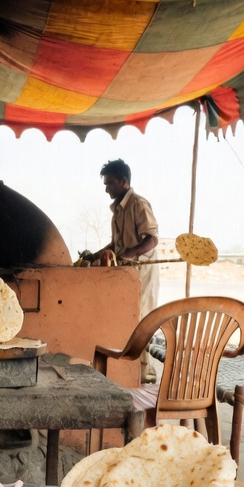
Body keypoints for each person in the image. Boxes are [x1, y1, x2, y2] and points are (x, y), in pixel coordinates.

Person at [93, 158, 160, 381]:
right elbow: (116, 245)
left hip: (142, 272)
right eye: (105, 183)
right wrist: (94, 255)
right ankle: (129, 370)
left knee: (141, 320)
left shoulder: (139, 204)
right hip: (125, 275)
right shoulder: (117, 211)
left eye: (109, 183)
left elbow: (152, 240)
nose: (106, 188)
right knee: (127, 320)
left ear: (123, 182)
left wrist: (128, 255)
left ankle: (145, 373)